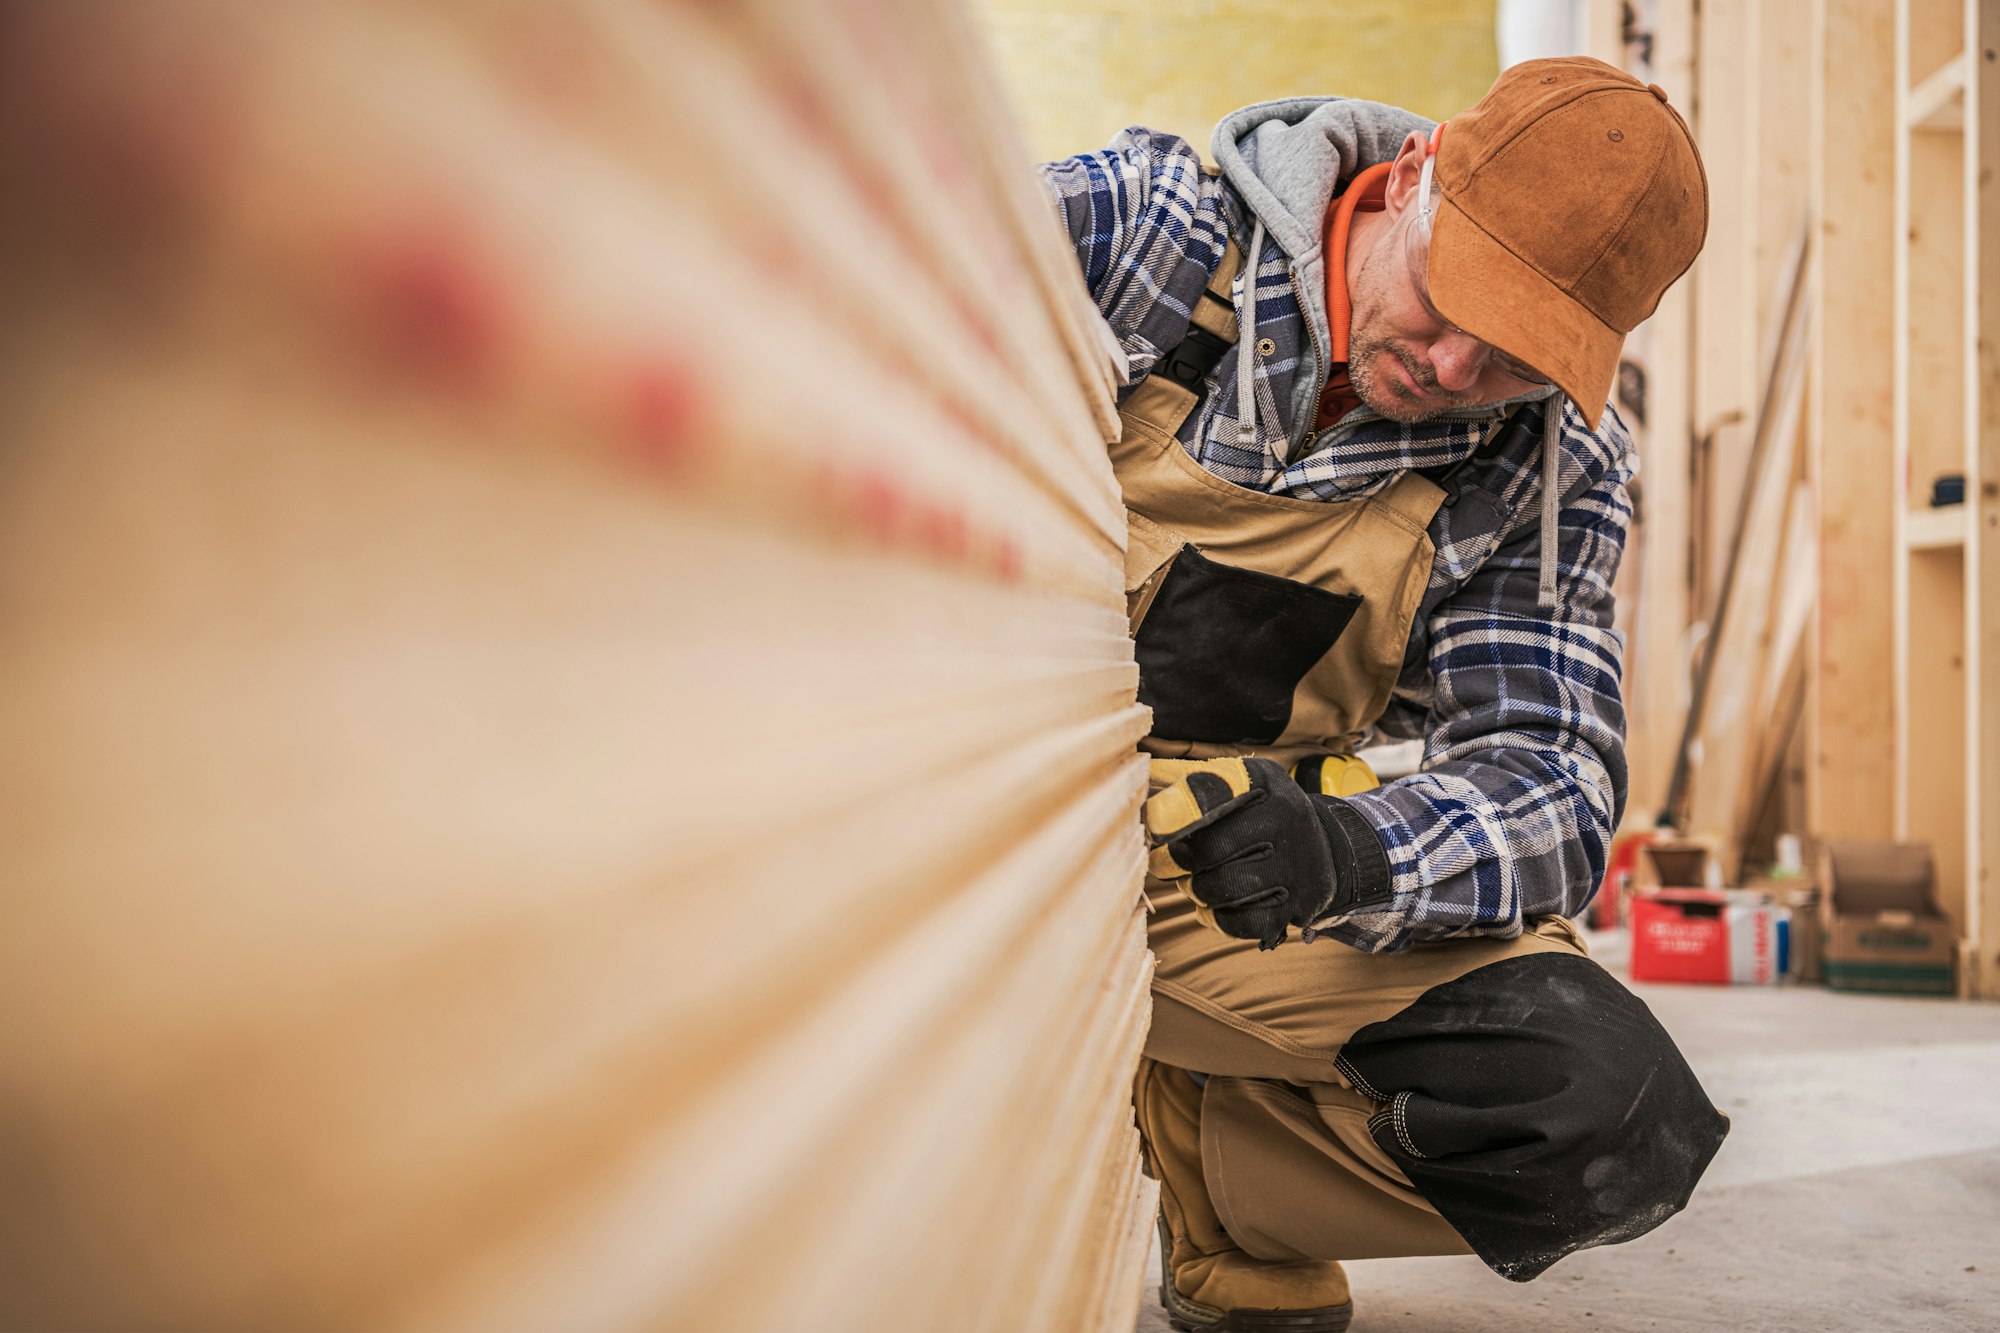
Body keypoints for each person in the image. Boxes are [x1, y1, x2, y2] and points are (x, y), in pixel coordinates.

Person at [1038, 57, 1728, 1332]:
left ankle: (1225, 1179)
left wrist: (1352, 849)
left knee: (1599, 1108)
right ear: (1404, 178)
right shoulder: (1140, 233)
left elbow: (1554, 779)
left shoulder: (1548, 468)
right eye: (1448, 295)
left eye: (1518, 355)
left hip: (1214, 868)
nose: (1456, 366)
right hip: (985, 806)